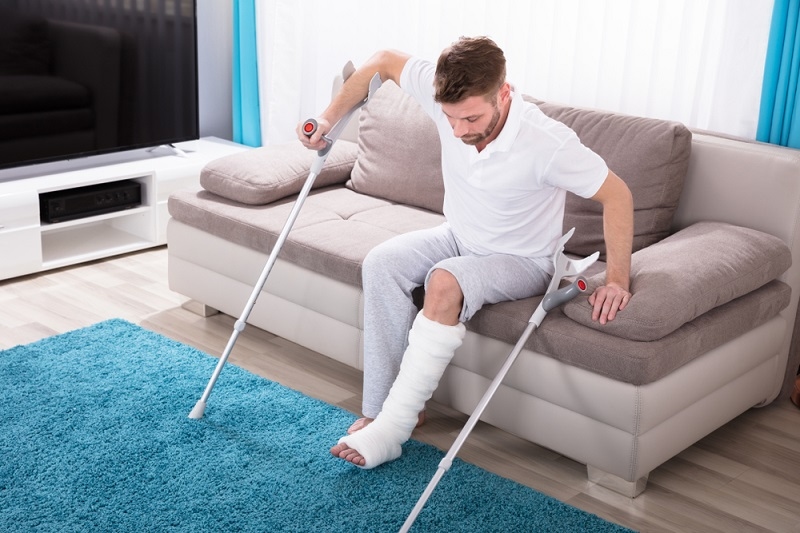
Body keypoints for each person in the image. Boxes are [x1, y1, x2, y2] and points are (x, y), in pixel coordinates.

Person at [298, 36, 634, 469]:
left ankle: (393, 427)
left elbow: (618, 195)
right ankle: (383, 410)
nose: (458, 131)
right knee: (382, 262)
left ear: (504, 93)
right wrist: (326, 118)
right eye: (450, 118)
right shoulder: (442, 92)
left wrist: (619, 279)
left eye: (471, 118)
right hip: (458, 236)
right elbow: (382, 61)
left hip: (523, 261)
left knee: (445, 279)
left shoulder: (548, 143)